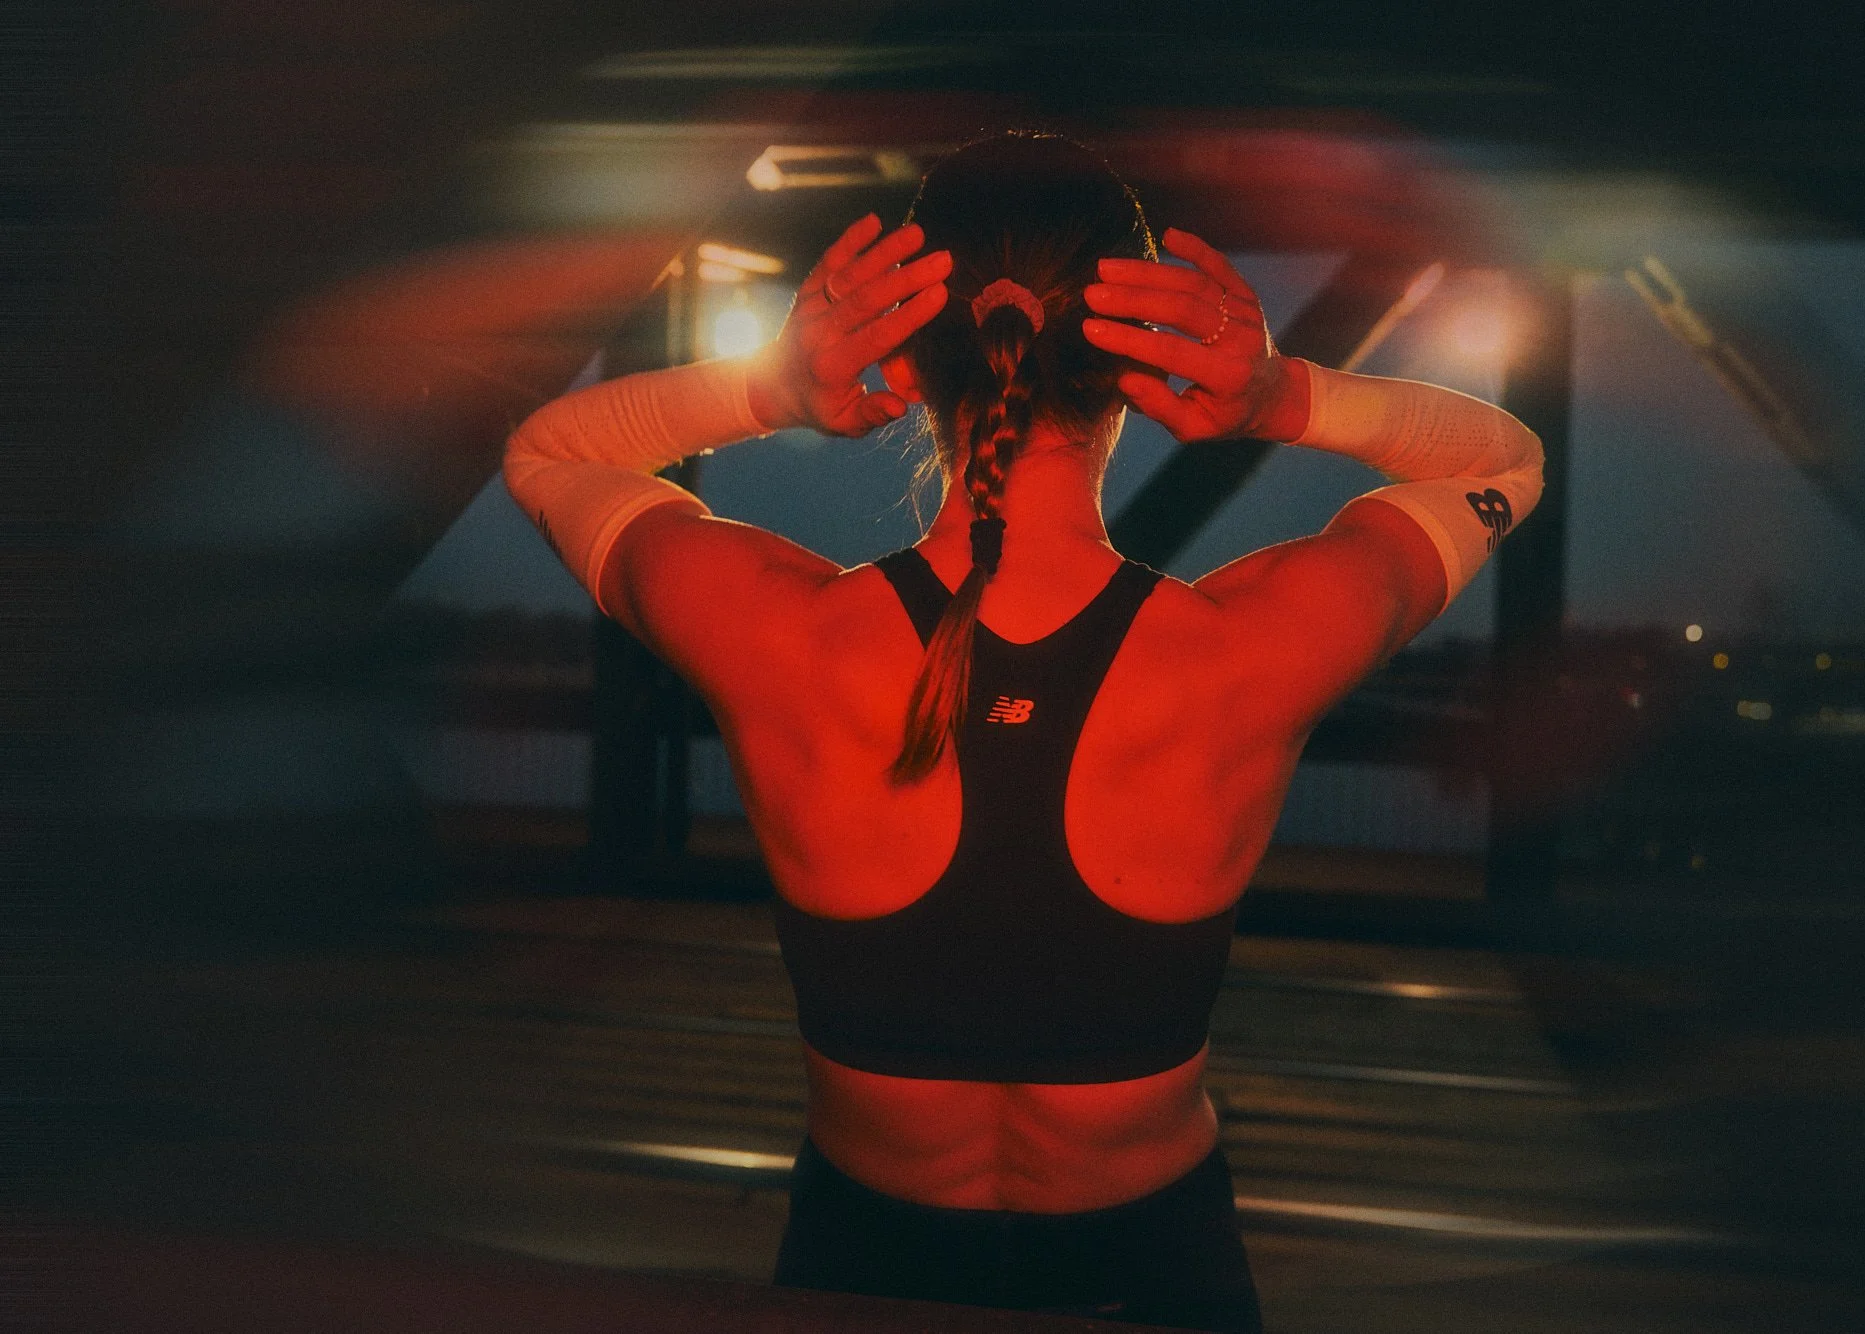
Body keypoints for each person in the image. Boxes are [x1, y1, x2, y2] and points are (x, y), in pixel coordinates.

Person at [504, 132, 1542, 1332]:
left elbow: (546, 452)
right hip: (1153, 1259)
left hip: (861, 1243)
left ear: (920, 352)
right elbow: (1503, 458)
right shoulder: (1246, 651)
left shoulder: (780, 637)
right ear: (1122, 363)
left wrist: (773, 389)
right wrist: (1278, 393)